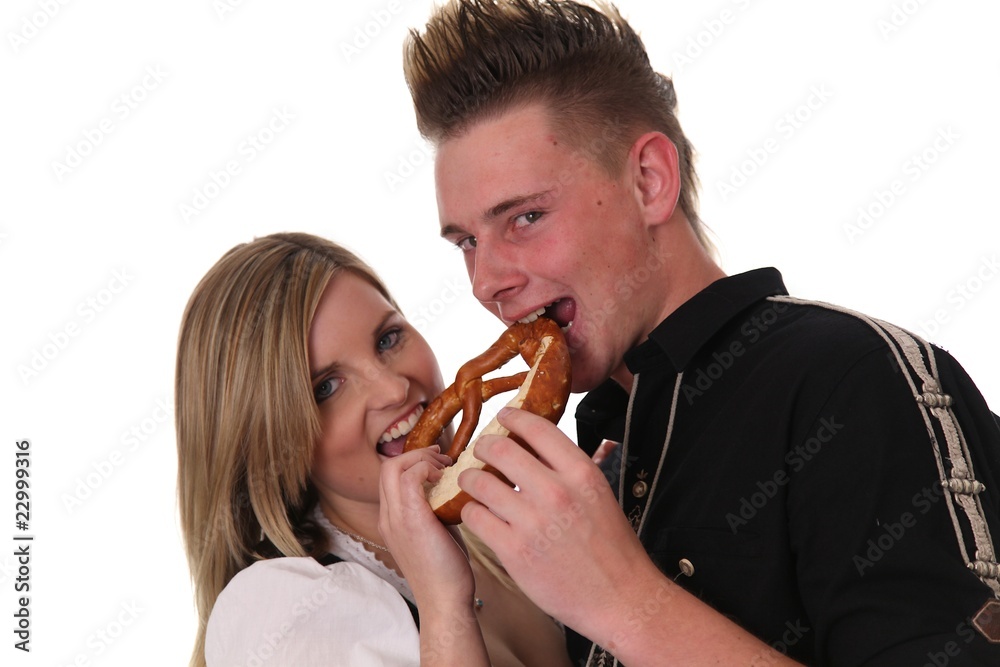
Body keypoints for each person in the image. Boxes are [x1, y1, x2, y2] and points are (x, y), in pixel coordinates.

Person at [402, 1, 1000, 665]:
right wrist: (445, 600)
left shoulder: (855, 379)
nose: (485, 281)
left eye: (525, 217)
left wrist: (623, 600)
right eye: (466, 242)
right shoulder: (601, 448)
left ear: (649, 181)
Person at [175, 232, 571, 667]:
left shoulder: (495, 531)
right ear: (268, 443)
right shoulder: (281, 611)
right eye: (326, 387)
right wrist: (443, 605)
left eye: (387, 339)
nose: (394, 389)